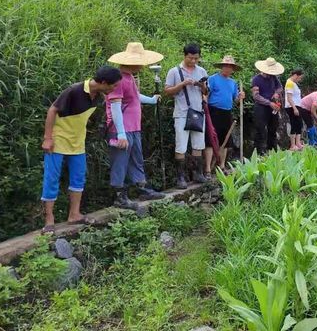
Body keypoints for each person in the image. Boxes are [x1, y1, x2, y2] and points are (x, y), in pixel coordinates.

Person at [40, 66, 122, 234]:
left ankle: (74, 214)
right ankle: (49, 219)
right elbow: (52, 110)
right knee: (51, 178)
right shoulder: (74, 90)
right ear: (104, 83)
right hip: (58, 139)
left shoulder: (98, 96)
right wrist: (48, 138)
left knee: (78, 177)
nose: (115, 89)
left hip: (77, 142)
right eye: (113, 86)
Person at [106, 42, 166, 209]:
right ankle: (119, 196)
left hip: (133, 127)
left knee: (136, 159)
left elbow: (134, 96)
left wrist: (152, 100)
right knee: (120, 161)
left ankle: (141, 188)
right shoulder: (117, 79)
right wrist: (121, 133)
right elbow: (115, 105)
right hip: (121, 129)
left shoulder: (129, 77)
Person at [164, 44, 209, 189]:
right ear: (184, 56)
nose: (193, 61)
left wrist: (201, 86)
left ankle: (198, 173)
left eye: (196, 58)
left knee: (198, 144)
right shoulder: (174, 71)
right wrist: (182, 84)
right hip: (182, 113)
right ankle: (180, 178)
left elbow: (206, 91)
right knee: (181, 145)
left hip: (197, 112)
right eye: (191, 58)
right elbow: (168, 91)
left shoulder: (201, 70)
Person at [205, 55, 244, 174]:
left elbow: (235, 100)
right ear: (222, 67)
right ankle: (207, 168)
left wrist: (240, 97)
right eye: (225, 66)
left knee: (225, 140)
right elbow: (206, 94)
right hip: (213, 111)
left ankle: (221, 166)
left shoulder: (233, 83)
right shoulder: (212, 79)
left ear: (233, 69)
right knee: (210, 139)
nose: (227, 69)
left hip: (227, 112)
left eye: (230, 67)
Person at [252, 57, 284, 155]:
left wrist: (276, 93)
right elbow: (256, 96)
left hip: (273, 106)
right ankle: (258, 153)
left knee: (273, 129)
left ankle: (272, 150)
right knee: (260, 130)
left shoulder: (274, 78)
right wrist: (269, 103)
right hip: (261, 107)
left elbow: (280, 87)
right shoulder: (256, 79)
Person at [284, 69, 305, 151]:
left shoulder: (293, 83)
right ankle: (293, 145)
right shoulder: (289, 83)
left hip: (296, 106)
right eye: (300, 77)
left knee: (299, 124)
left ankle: (298, 143)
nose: (300, 79)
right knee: (294, 124)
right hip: (292, 106)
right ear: (296, 75)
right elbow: (289, 98)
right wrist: (295, 108)